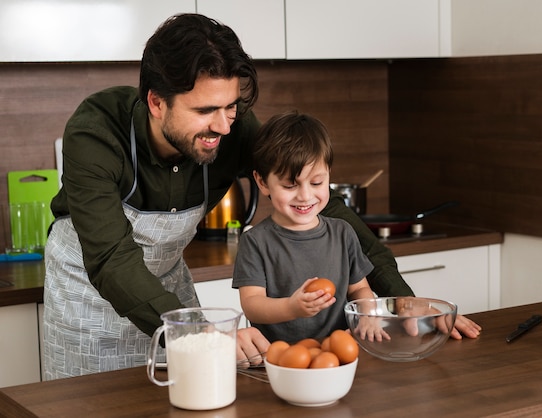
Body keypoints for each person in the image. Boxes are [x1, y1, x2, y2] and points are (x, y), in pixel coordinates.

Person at [43, 13, 478, 380]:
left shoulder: (230, 129)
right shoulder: (96, 132)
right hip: (91, 294)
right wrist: (199, 330)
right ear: (156, 102)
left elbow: (336, 213)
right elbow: (111, 259)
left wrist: (399, 301)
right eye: (204, 111)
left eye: (231, 107)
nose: (224, 127)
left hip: (168, 286)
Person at [232, 111, 390, 343]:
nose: (305, 196)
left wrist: (367, 314)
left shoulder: (342, 233)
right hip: (280, 358)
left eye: (316, 182)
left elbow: (359, 290)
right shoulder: (255, 241)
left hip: (337, 353)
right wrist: (291, 307)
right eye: (289, 185)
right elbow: (252, 305)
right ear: (263, 182)